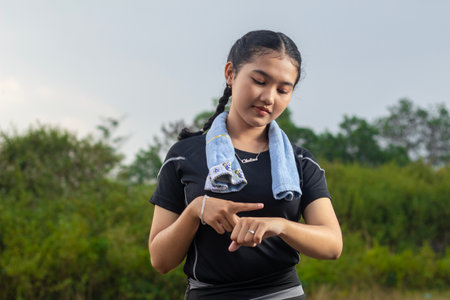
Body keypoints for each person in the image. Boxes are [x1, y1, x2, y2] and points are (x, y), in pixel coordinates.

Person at [148, 30, 342, 300]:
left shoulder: (300, 162)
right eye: (260, 81)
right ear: (230, 74)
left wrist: (281, 225)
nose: (269, 97)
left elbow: (332, 245)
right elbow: (160, 260)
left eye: (283, 90)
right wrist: (195, 210)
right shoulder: (184, 156)